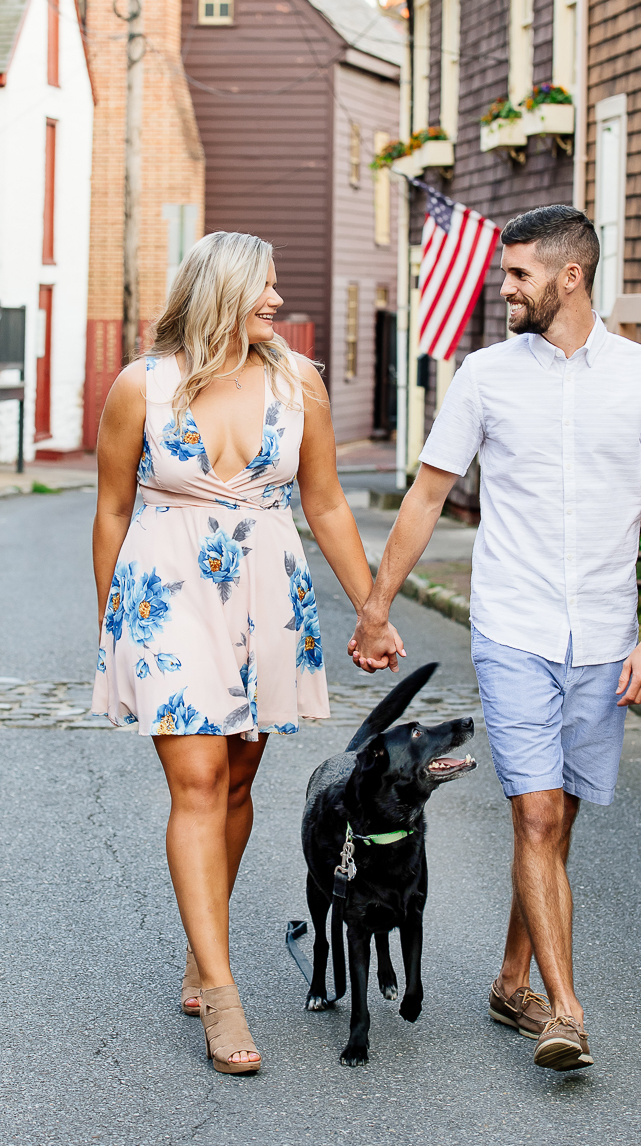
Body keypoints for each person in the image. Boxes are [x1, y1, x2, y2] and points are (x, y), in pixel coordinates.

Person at [348, 205, 641, 1072]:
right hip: (514, 626)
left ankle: (511, 980)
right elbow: (427, 496)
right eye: (503, 272)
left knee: (556, 821)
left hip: (605, 632)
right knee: (535, 811)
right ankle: (565, 1012)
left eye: (519, 275)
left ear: (569, 277)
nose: (505, 288)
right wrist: (377, 605)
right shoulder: (485, 377)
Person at [91, 231, 401, 1074]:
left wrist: (372, 609)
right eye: (266, 286)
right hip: (168, 599)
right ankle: (222, 998)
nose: (277, 299)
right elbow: (113, 511)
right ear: (223, 291)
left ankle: (204, 943)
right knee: (196, 782)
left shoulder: (298, 382)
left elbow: (328, 504)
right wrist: (113, 627)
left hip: (268, 599)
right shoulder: (140, 388)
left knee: (237, 777)